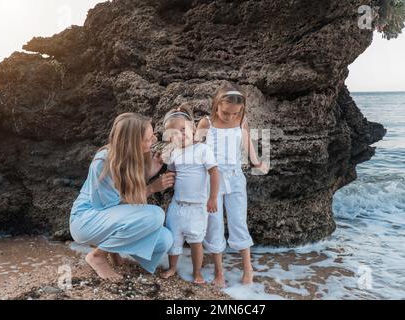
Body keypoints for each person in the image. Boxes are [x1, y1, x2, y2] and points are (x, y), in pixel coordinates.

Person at [69, 113, 175, 281]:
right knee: (155, 215)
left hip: (108, 219)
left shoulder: (134, 157)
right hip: (86, 220)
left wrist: (149, 172)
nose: (154, 140)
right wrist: (152, 188)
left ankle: (114, 253)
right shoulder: (103, 162)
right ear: (132, 141)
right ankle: (97, 256)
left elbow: (125, 199)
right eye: (149, 138)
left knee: (166, 239)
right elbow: (110, 207)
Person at [196, 84, 269, 287]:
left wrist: (256, 162)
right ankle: (219, 272)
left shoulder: (241, 121)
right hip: (212, 180)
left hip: (236, 177)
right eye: (225, 112)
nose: (229, 117)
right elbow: (195, 149)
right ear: (217, 104)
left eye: (234, 113)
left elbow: (247, 143)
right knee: (215, 225)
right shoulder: (206, 123)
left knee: (238, 222)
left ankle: (248, 268)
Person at [160, 105, 220, 284]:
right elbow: (172, 173)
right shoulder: (174, 153)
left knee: (196, 242)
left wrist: (213, 197)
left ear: (193, 128)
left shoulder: (202, 150)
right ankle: (172, 267)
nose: (180, 134)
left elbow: (214, 173)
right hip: (177, 205)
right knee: (173, 240)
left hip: (197, 207)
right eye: (174, 133)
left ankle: (197, 272)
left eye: (183, 129)